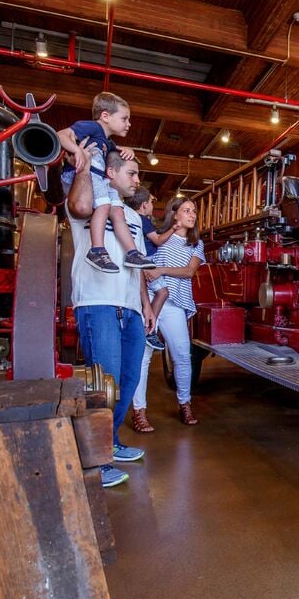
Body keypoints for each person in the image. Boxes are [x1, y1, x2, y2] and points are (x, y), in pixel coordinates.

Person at [67, 150, 154, 487]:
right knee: (103, 386)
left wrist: (145, 305)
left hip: (131, 306)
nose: (136, 180)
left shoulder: (130, 217)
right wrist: (88, 167)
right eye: (131, 173)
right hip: (98, 302)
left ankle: (110, 441)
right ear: (113, 172)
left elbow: (140, 264)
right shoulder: (87, 203)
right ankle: (93, 459)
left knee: (127, 382)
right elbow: (77, 205)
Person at [58, 91, 154, 274]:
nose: (129, 124)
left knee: (117, 211)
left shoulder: (107, 141)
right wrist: (77, 151)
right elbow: (61, 135)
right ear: (105, 116)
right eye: (125, 118)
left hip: (99, 178)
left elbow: (114, 149)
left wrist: (126, 149)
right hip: (84, 175)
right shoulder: (92, 127)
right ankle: (97, 250)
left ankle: (132, 252)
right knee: (103, 206)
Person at [135, 197, 205, 428]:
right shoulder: (159, 239)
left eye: (193, 211)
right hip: (151, 302)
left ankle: (185, 404)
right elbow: (144, 267)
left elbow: (189, 271)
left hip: (174, 304)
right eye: (186, 210)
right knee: (143, 358)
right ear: (174, 215)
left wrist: (161, 270)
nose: (192, 214)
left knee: (182, 356)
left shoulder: (196, 244)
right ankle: (139, 412)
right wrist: (152, 277)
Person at [126, 186, 178, 352]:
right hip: (147, 262)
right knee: (163, 292)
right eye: (150, 203)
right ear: (143, 205)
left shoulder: (131, 218)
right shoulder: (143, 220)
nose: (152, 206)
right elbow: (158, 240)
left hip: (142, 262)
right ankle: (150, 329)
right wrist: (174, 229)